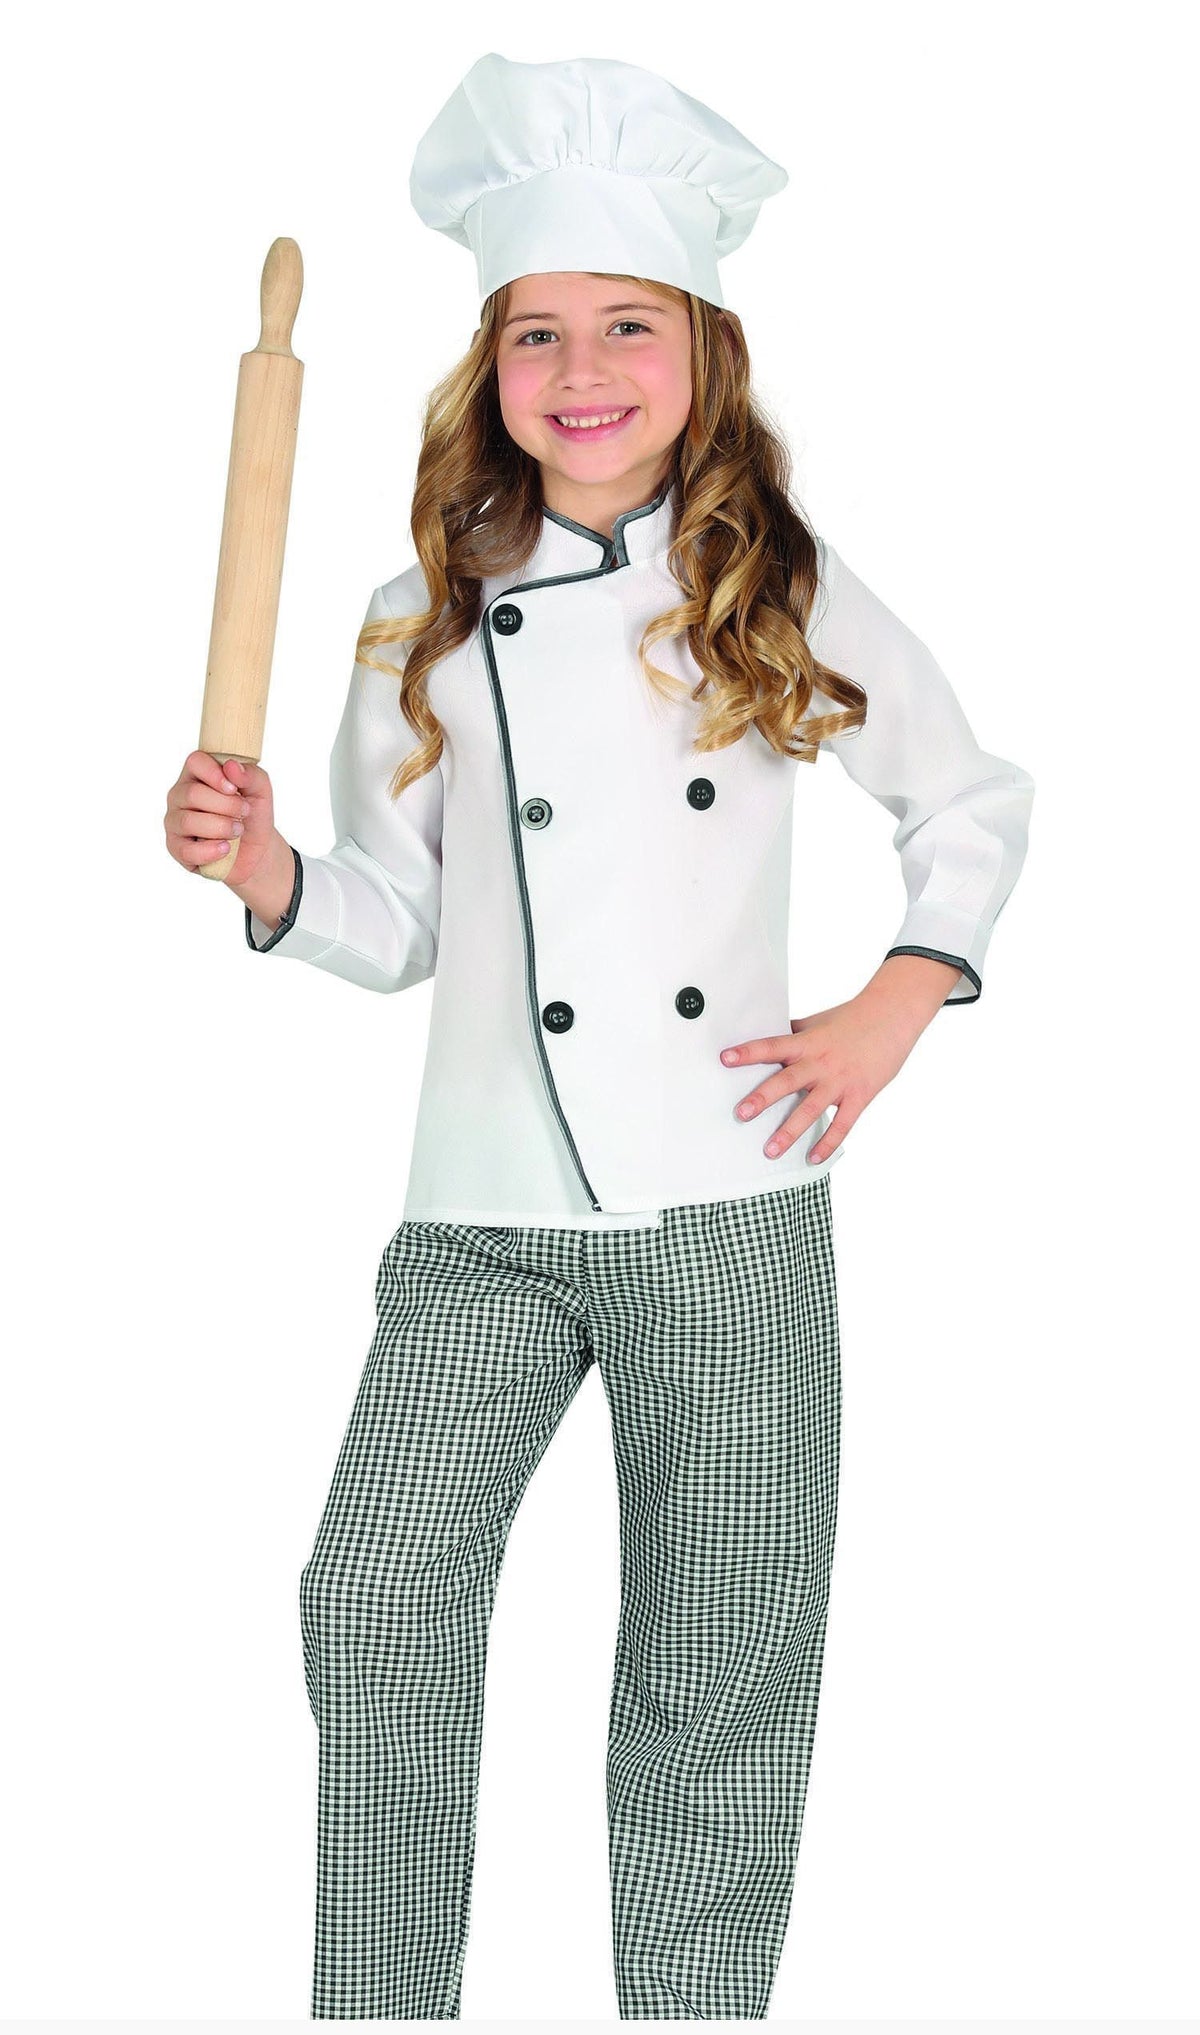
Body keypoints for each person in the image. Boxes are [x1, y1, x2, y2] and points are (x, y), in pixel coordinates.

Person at [163, 52, 1034, 2022]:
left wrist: (900, 1001)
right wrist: (267, 868)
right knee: (371, 1597)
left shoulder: (773, 587)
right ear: (486, 367)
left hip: (727, 1205)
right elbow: (393, 927)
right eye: (537, 330)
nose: (581, 366)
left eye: (625, 325)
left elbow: (972, 800)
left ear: (701, 356)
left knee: (716, 1661)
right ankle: (379, 2003)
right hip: (474, 1205)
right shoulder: (416, 617)